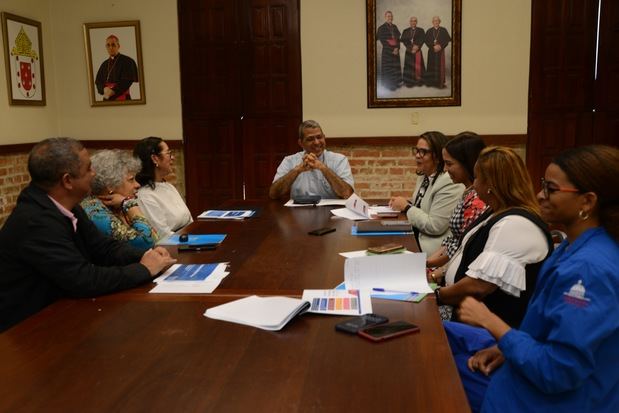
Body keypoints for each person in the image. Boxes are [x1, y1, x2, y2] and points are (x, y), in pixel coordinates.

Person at [446, 145, 619, 413]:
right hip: (528, 364)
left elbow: (558, 371)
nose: (540, 195)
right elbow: (547, 333)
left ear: (587, 201)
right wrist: (507, 348)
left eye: (551, 189)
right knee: (441, 337)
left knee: (434, 366)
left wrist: (490, 322)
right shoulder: (574, 248)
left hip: (550, 399)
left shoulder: (587, 271)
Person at [0, 138, 176, 332]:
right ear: (67, 181)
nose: (94, 174)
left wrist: (143, 256)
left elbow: (103, 248)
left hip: (60, 315)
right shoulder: (36, 222)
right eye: (89, 169)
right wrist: (144, 269)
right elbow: (83, 279)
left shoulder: (68, 205)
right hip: (24, 330)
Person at [435, 147, 553, 328]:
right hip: (464, 317)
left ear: (491, 184)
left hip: (490, 334)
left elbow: (479, 286)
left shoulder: (515, 223)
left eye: (476, 178)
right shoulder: (495, 212)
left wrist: (438, 295)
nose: (473, 185)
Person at [389, 131, 464, 255]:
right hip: (415, 235)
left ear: (438, 156)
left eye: (423, 152)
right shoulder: (425, 175)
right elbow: (423, 207)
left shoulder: (449, 182)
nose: (417, 155)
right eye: (416, 150)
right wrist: (404, 203)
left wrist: (407, 207)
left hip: (431, 249)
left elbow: (435, 226)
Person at [426, 132, 487, 270]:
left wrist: (433, 270)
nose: (445, 170)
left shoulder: (477, 201)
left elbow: (463, 248)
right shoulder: (468, 192)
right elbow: (453, 241)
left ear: (467, 163)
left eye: (449, 164)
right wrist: (428, 264)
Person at [81, 149, 158, 249]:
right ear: (110, 185)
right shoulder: (94, 211)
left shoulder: (116, 206)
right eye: (131, 180)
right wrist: (128, 203)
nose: (137, 184)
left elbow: (155, 237)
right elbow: (146, 242)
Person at [269, 120, 354, 200]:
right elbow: (273, 194)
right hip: (299, 212)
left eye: (319, 137)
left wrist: (323, 168)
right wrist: (297, 170)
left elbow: (347, 194)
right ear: (301, 143)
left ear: (324, 137)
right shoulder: (289, 160)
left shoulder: (339, 159)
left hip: (331, 212)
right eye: (310, 139)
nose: (317, 142)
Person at [133, 137, 193, 239]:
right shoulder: (145, 195)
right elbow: (163, 235)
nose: (172, 157)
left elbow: (189, 220)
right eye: (168, 153)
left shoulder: (168, 186)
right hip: (172, 246)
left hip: (187, 238)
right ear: (155, 158)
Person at [94, 34, 139, 101]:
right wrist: (104, 89)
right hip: (107, 99)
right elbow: (98, 82)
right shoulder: (104, 64)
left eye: (113, 45)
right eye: (108, 45)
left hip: (123, 99)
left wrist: (113, 91)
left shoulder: (128, 61)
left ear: (118, 46)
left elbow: (127, 81)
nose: (110, 47)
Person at [376, 10, 402, 91]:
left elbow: (398, 39)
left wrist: (397, 48)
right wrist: (392, 49)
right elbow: (384, 42)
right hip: (387, 52)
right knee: (389, 68)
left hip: (396, 51)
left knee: (395, 67)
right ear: (385, 17)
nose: (390, 18)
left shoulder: (395, 27)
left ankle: (395, 83)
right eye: (388, 16)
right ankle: (388, 85)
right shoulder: (381, 28)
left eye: (391, 16)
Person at [424, 16, 451, 88]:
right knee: (431, 65)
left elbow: (447, 40)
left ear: (439, 21)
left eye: (437, 20)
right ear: (432, 22)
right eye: (434, 21)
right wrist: (433, 46)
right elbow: (426, 41)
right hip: (432, 51)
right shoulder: (429, 30)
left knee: (440, 67)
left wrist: (440, 46)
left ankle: (440, 82)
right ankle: (431, 82)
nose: (436, 22)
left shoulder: (443, 30)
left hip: (440, 51)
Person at [400, 16, 426, 87]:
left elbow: (422, 39)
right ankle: (409, 81)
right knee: (409, 66)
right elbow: (404, 41)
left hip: (417, 50)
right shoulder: (405, 31)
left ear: (416, 22)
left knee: (418, 66)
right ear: (410, 22)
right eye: (412, 21)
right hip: (409, 50)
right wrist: (411, 47)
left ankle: (419, 81)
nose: (413, 22)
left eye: (414, 21)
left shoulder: (421, 30)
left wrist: (417, 47)